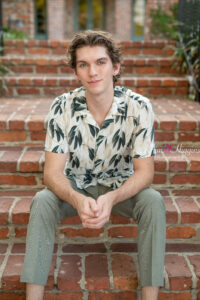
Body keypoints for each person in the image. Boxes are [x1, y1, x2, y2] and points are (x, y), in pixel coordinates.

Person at [20, 30, 166, 300]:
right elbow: (52, 173)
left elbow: (146, 173)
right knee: (42, 201)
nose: (93, 72)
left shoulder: (139, 107)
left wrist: (112, 197)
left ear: (115, 67)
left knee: (153, 202)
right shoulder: (61, 106)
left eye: (100, 62)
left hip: (120, 188)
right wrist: (76, 199)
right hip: (75, 186)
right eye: (83, 65)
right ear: (75, 72)